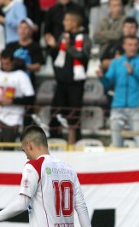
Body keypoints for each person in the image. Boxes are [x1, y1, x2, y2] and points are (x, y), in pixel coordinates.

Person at [97, 34, 139, 148]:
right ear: (124, 46)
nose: (133, 47)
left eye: (135, 45)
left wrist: (133, 72)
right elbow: (108, 82)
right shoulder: (116, 63)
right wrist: (101, 77)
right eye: (130, 45)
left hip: (136, 107)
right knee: (116, 143)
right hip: (118, 107)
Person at [45, 11, 89, 144]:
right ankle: (53, 140)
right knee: (55, 112)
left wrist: (69, 46)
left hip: (76, 84)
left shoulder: (85, 38)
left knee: (73, 114)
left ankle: (74, 142)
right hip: (61, 82)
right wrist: (52, 46)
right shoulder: (63, 37)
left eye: (66, 20)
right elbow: (56, 56)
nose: (63, 23)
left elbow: (82, 56)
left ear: (74, 23)